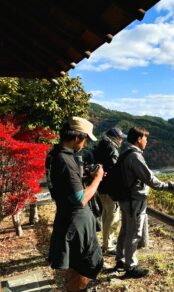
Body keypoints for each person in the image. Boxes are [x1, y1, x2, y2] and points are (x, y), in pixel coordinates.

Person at [45, 117, 104, 291]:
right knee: (85, 265)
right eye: (85, 139)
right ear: (78, 137)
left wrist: (86, 178)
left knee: (75, 265)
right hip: (76, 224)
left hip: (67, 219)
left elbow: (66, 186)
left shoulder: (55, 154)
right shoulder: (66, 160)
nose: (85, 144)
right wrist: (98, 179)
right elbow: (80, 199)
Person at [115, 126, 172, 278]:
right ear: (139, 139)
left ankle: (120, 260)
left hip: (125, 198)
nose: (147, 141)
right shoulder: (135, 156)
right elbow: (149, 178)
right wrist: (166, 185)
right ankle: (131, 266)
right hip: (135, 200)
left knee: (125, 230)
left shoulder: (125, 152)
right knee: (134, 234)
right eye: (145, 138)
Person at [93, 127, 126, 255]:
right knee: (112, 217)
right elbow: (115, 170)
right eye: (120, 137)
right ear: (114, 138)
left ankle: (107, 242)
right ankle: (108, 246)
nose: (121, 140)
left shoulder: (101, 146)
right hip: (110, 189)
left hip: (101, 187)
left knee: (106, 216)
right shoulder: (112, 149)